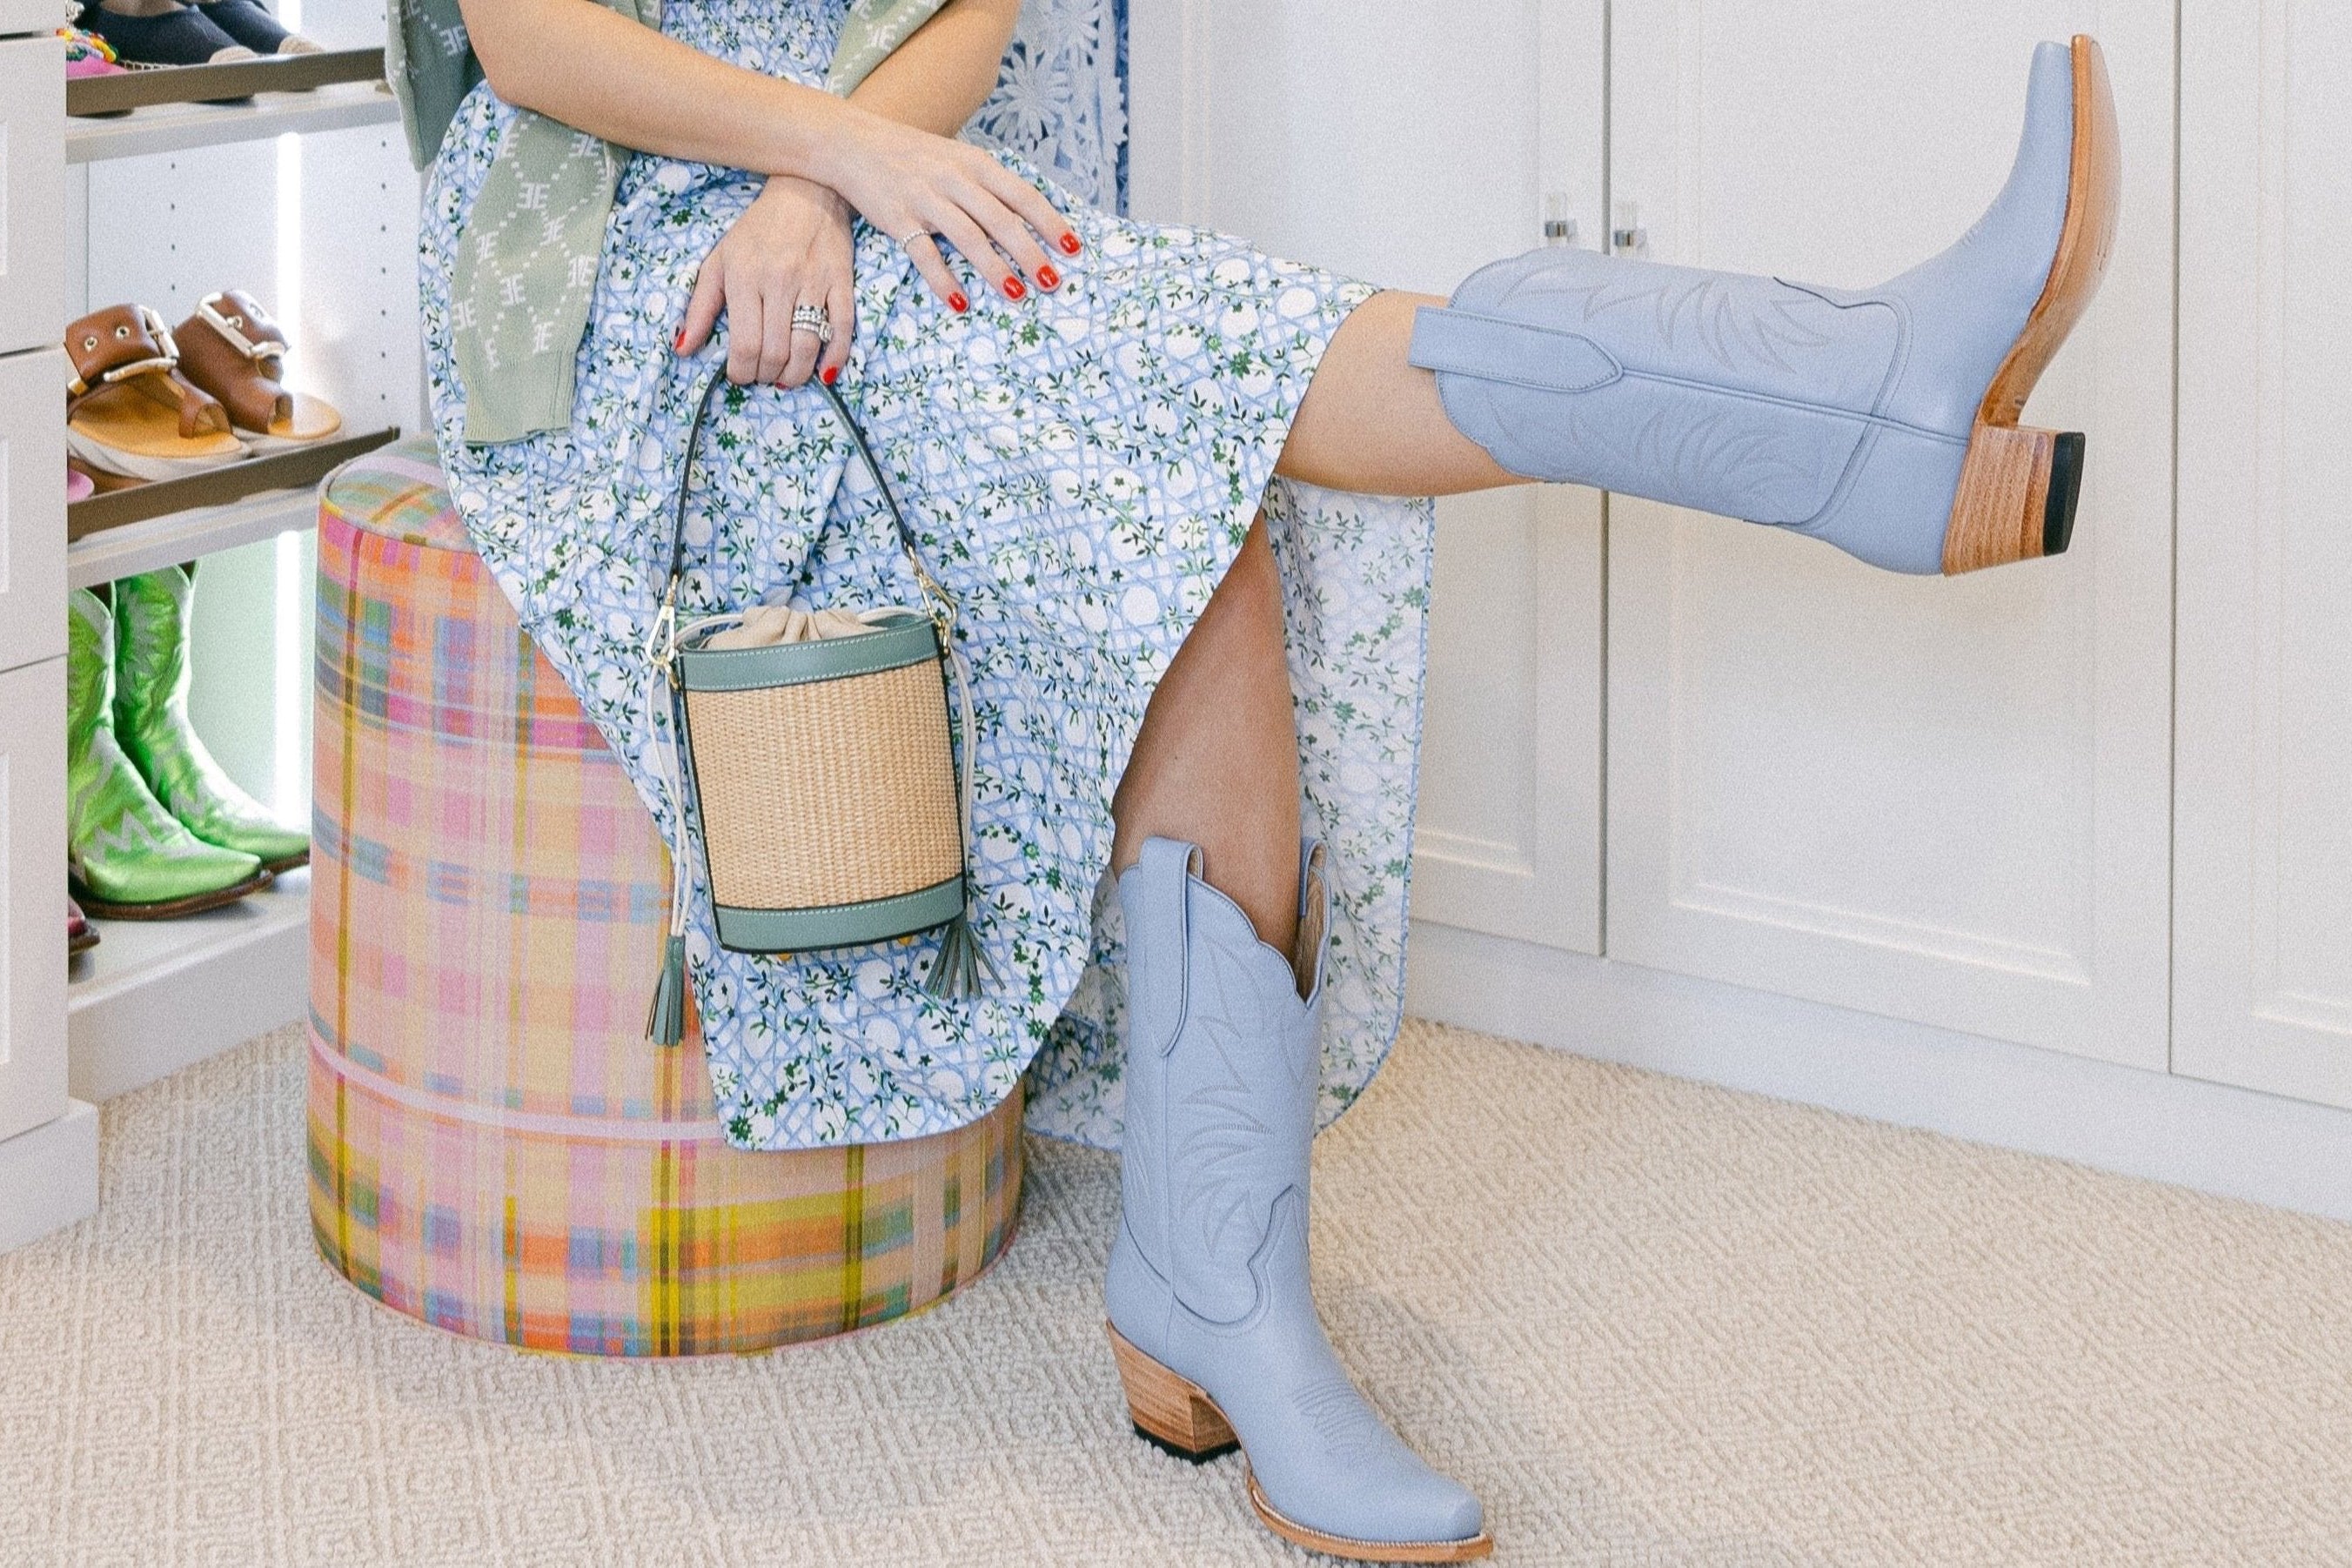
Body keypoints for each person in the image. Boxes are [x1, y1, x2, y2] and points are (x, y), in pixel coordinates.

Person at [422, 3, 2118, 1558]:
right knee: (1191, 405)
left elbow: (960, 12)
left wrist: (838, 180)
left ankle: (1214, 1284)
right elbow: (530, 39)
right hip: (617, 256)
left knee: (1187, 460)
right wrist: (830, 154)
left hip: (856, 211)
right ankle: (1855, 406)